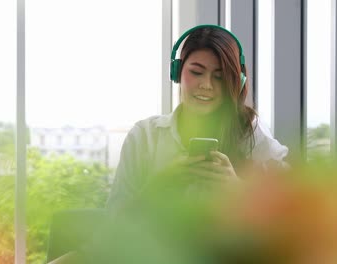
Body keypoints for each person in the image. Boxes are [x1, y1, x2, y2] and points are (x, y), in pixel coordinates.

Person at [106, 24, 289, 215]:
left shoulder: (249, 132)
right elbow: (114, 222)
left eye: (219, 77)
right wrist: (158, 187)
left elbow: (292, 210)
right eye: (196, 72)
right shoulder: (145, 136)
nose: (206, 85)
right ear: (176, 72)